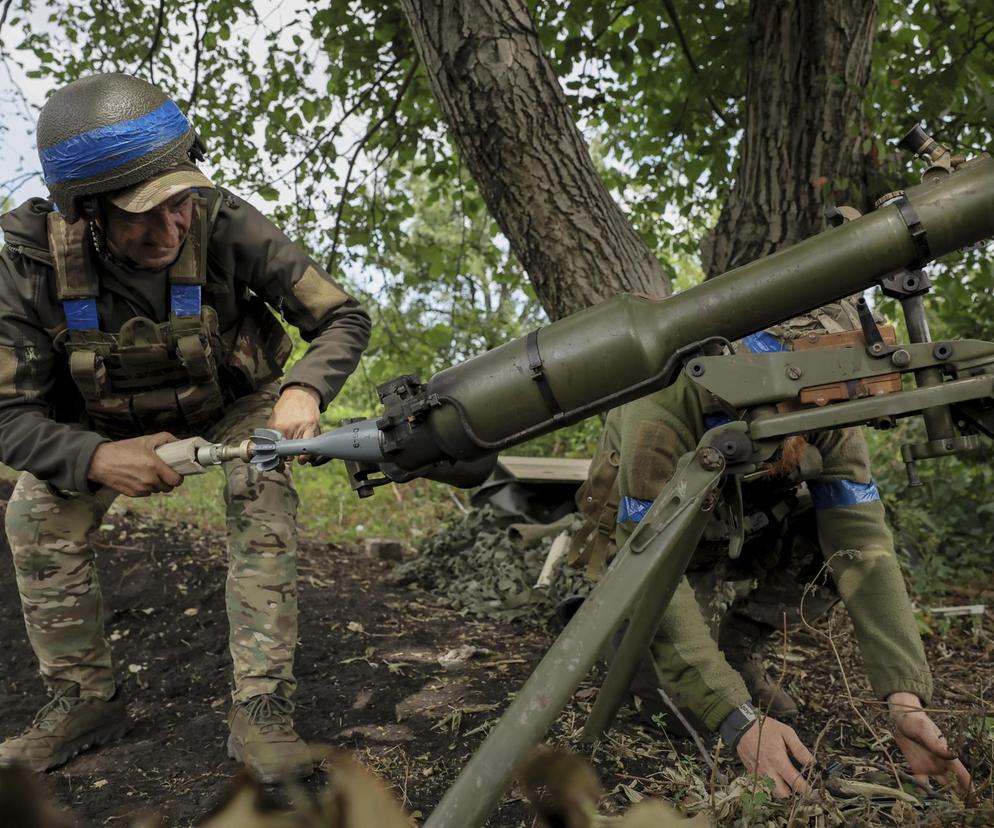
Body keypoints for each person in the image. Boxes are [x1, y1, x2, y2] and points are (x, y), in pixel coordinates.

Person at [0, 73, 371, 782]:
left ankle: (262, 709)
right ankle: (84, 698)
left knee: (258, 486)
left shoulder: (224, 220)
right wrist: (95, 457)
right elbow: (8, 414)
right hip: (103, 428)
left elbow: (342, 316)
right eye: (143, 214)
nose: (171, 226)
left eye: (179, 202)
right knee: (35, 515)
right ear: (85, 213)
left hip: (235, 405)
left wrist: (303, 388)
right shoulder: (26, 268)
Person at [571, 299, 972, 798]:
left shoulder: (827, 397)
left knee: (829, 542)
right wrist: (738, 719)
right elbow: (652, 569)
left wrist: (904, 696)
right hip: (656, 545)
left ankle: (735, 646)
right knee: (681, 713)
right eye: (804, 404)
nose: (821, 417)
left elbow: (860, 541)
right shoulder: (665, 405)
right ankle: (629, 644)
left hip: (742, 527)